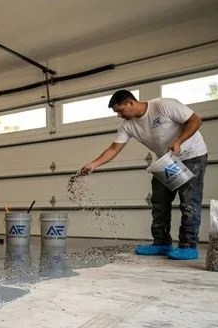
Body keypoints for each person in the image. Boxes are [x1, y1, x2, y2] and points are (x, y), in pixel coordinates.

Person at [80, 89, 208, 261]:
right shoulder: (128, 125)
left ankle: (188, 245)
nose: (119, 115)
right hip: (167, 160)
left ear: (131, 103)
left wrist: (179, 141)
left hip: (192, 155)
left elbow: (195, 120)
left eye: (120, 110)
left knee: (189, 202)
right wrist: (93, 164)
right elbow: (114, 148)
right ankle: (161, 243)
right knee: (159, 202)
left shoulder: (163, 105)